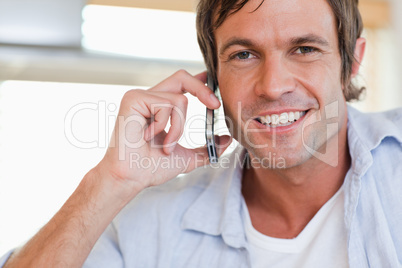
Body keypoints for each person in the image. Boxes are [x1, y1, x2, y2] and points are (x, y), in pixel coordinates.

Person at [2, 0, 402, 267]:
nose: (274, 85)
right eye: (243, 55)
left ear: (352, 62)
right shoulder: (152, 221)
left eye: (304, 49)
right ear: (212, 82)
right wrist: (111, 182)